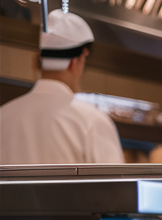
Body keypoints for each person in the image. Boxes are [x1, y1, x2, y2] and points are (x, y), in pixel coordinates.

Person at [0, 10, 124, 165]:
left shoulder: (3, 116)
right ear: (77, 61)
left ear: (38, 60)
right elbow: (114, 187)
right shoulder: (92, 121)